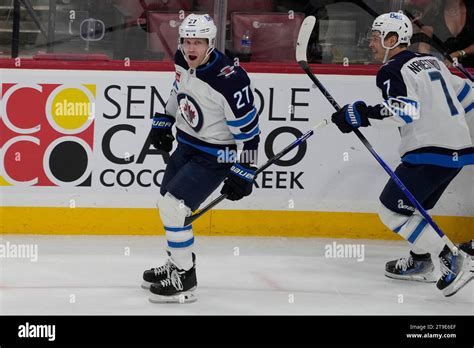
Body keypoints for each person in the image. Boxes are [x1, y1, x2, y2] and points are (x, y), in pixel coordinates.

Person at [331, 12, 473, 297]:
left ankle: (451, 257)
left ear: (391, 39)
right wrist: (450, 126)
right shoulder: (433, 62)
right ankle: (420, 262)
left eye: (374, 37)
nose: (370, 43)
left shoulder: (391, 70)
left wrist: (361, 114)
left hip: (428, 150)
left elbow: (406, 111)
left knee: (391, 210)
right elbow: (468, 94)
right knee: (413, 207)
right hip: (459, 150)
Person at [141, 14, 260, 303]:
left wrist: (246, 170)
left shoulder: (229, 80)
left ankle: (184, 277)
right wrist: (164, 119)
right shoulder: (183, 60)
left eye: (199, 42)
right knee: (167, 205)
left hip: (215, 156)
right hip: (186, 146)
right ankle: (178, 262)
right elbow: (177, 89)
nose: (191, 48)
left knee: (173, 207)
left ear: (211, 43)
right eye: (187, 41)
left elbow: (251, 134)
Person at [417, 0, 474, 67]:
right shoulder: (433, 11)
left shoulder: (471, 7)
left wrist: (458, 53)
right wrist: (433, 66)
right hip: (443, 68)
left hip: (470, 70)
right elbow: (423, 47)